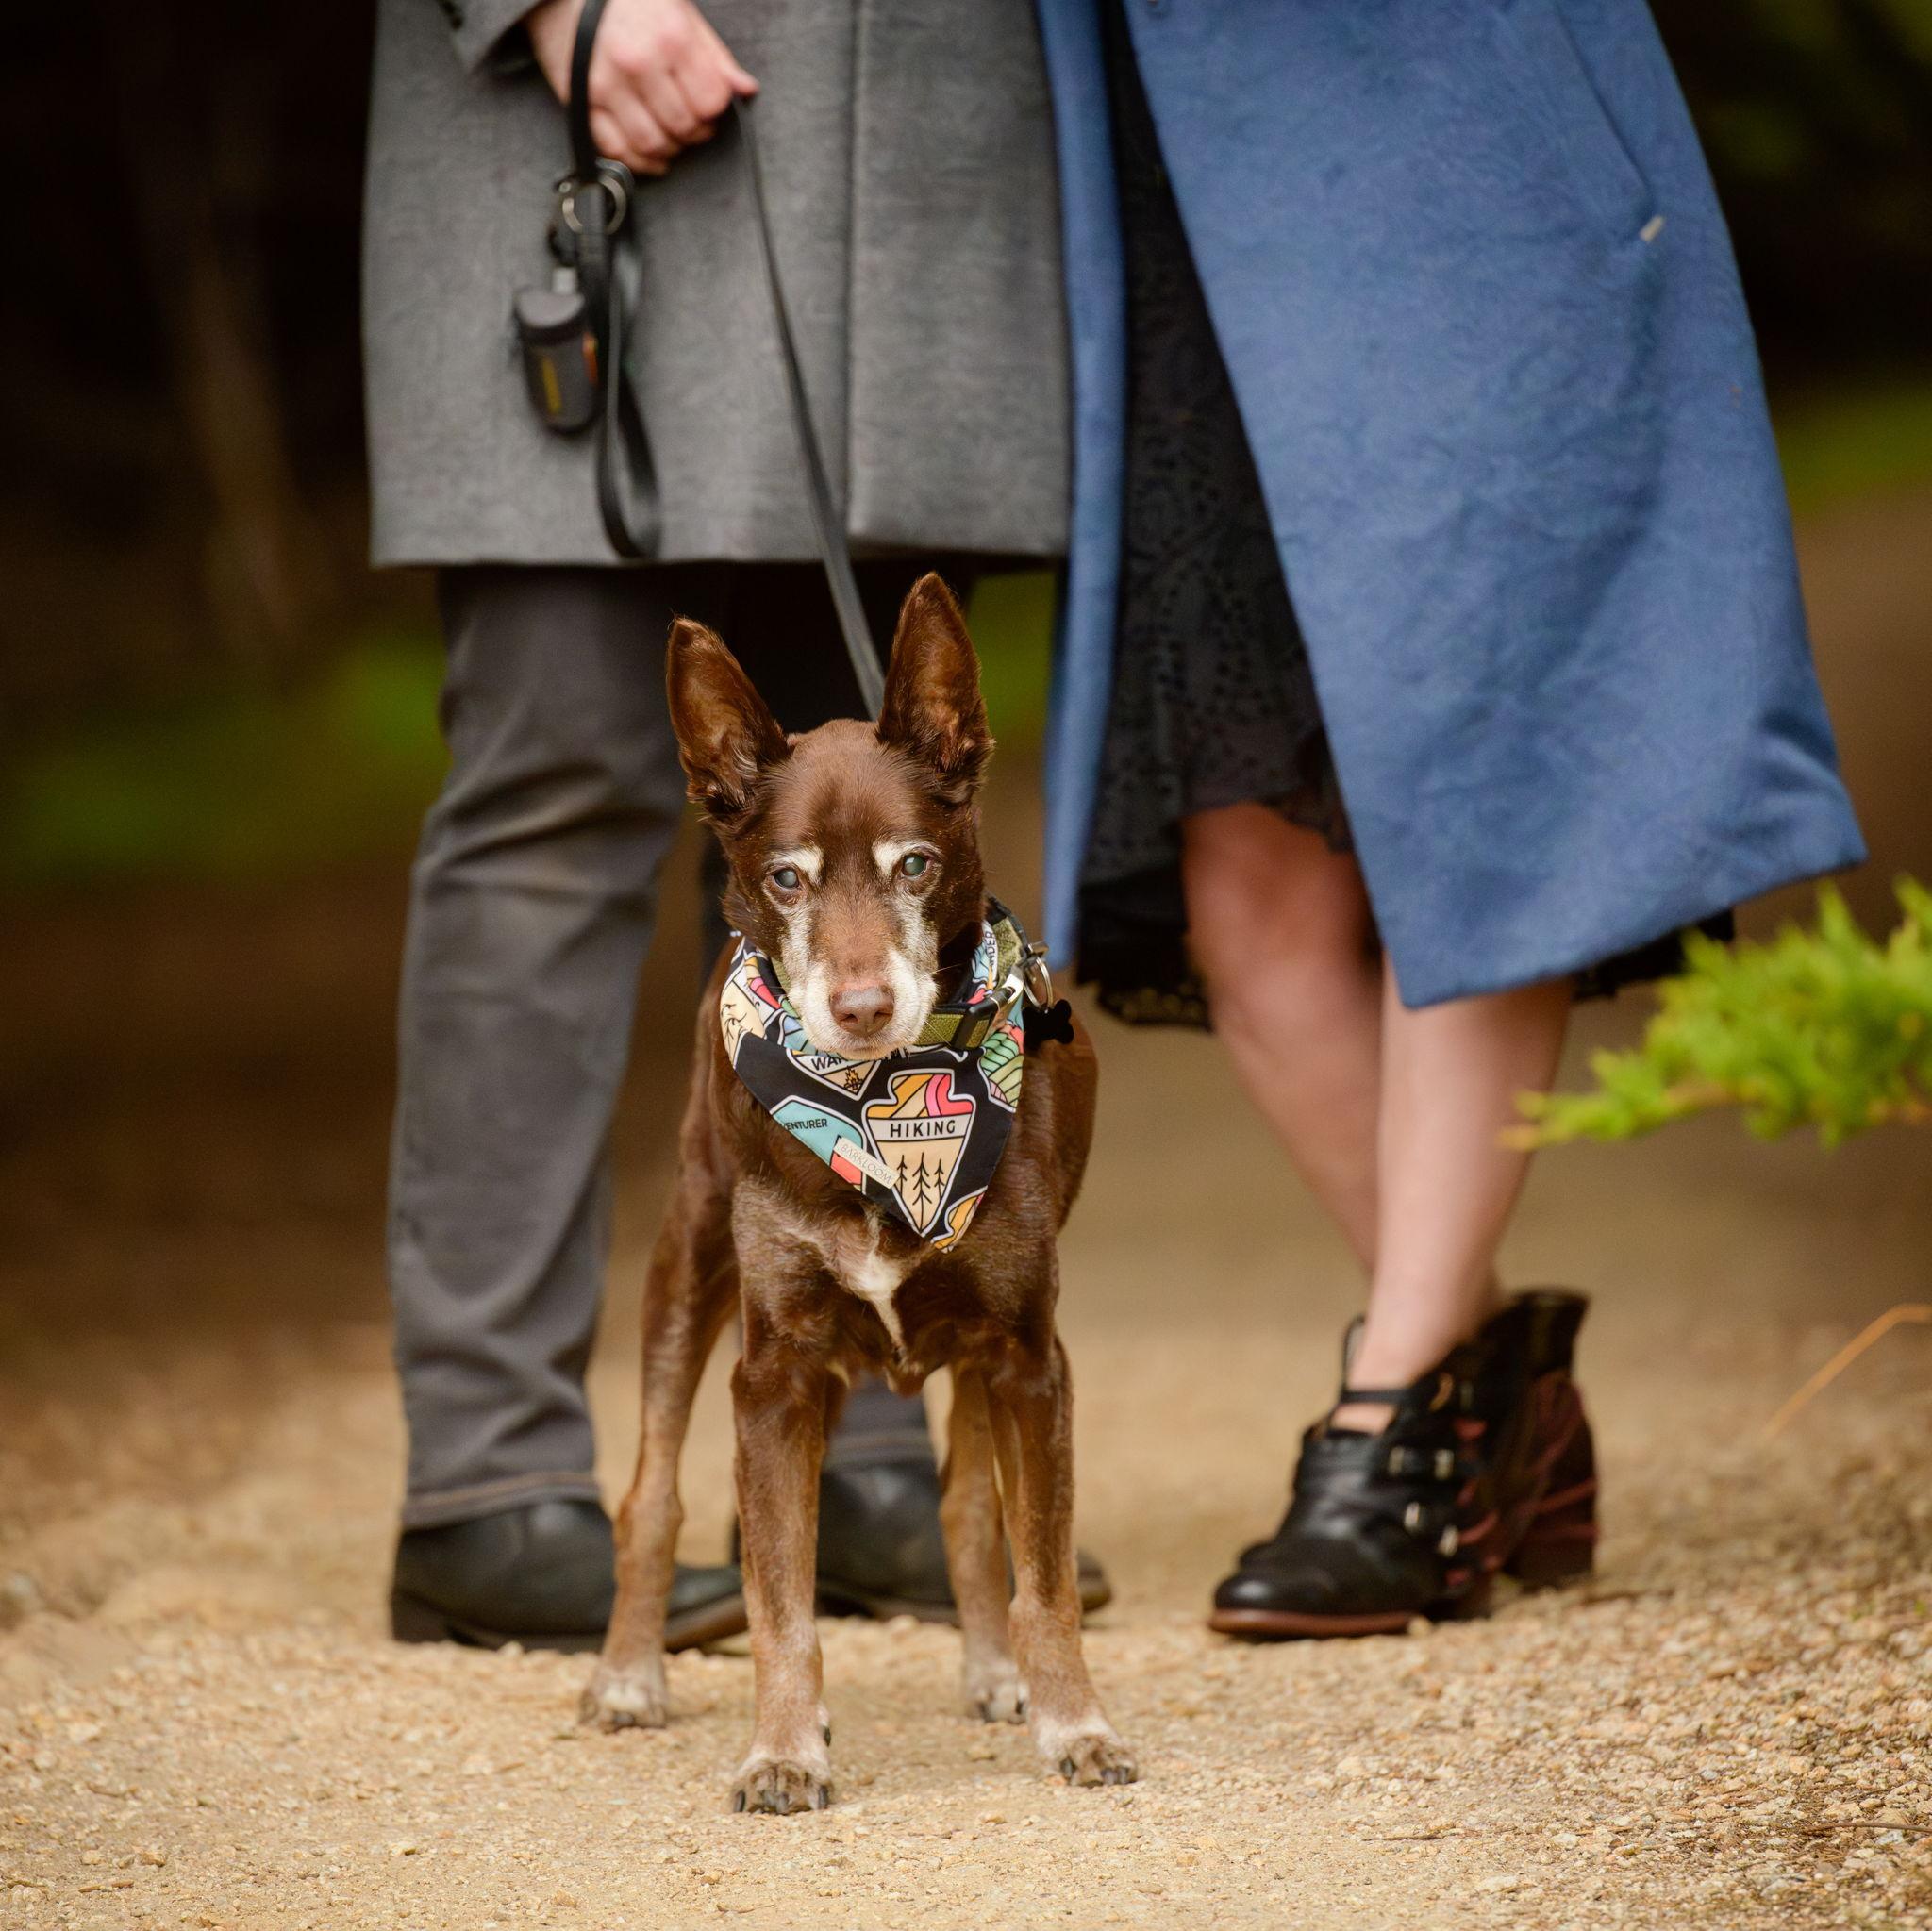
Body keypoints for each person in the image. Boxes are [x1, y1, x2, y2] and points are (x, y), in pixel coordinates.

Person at [1029, 1, 1864, 1635]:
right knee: (1245, 897)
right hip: (1173, 234)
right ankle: (1495, 1400)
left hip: (1472, 199)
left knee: (1483, 815)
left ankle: (1395, 1414)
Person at [360, 0, 1101, 1647]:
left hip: (887, 203)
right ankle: (489, 1472)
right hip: (566, 155)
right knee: (553, 799)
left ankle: (874, 1431)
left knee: (854, 806)